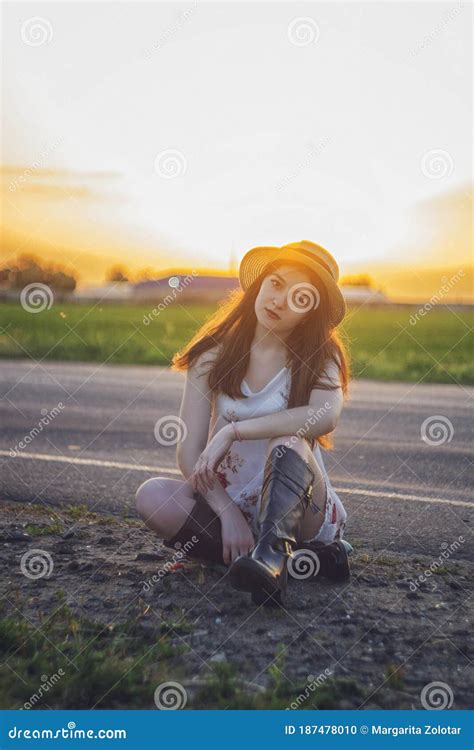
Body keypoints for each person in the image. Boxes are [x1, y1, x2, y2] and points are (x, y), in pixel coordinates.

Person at [136, 239, 352, 607]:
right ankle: (300, 560)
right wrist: (227, 512)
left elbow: (324, 416)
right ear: (261, 283)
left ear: (310, 312)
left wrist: (234, 430)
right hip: (229, 500)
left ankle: (271, 564)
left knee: (289, 440)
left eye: (300, 297)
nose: (279, 300)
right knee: (152, 496)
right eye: (276, 283)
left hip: (301, 511)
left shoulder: (322, 355)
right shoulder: (213, 353)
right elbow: (189, 454)